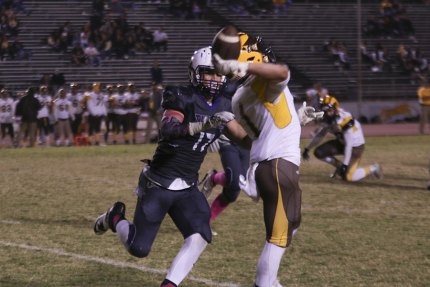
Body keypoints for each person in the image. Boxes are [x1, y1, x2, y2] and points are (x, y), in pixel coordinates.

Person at [93, 46, 242, 287]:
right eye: (208, 73)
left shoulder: (224, 99)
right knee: (138, 248)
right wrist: (200, 126)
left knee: (200, 235)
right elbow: (169, 129)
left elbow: (245, 77)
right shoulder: (181, 95)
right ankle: (114, 217)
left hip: (188, 187)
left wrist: (292, 123)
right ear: (195, 73)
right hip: (159, 184)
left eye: (218, 74)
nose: (214, 79)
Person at [212, 30, 322, 287]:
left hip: (269, 167)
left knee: (291, 223)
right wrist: (241, 64)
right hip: (278, 166)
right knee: (278, 237)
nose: (261, 52)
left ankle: (270, 282)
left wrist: (296, 118)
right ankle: (265, 283)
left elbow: (249, 138)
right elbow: (282, 72)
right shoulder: (258, 83)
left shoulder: (241, 97)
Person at [302, 95, 383, 181]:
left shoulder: (345, 120)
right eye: (324, 110)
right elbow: (320, 135)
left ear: (335, 109)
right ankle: (339, 166)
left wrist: (345, 165)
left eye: (329, 110)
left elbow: (349, 145)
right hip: (342, 143)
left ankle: (373, 168)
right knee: (319, 152)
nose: (326, 113)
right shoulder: (329, 118)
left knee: (348, 177)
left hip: (355, 147)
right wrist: (307, 148)